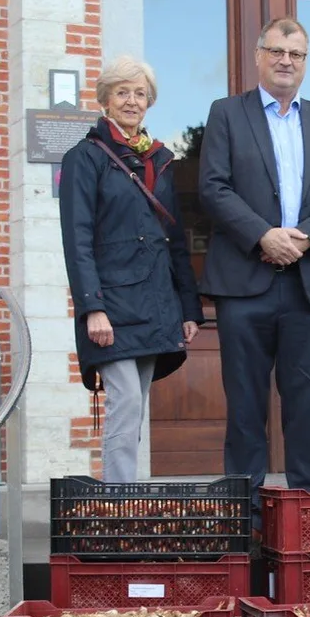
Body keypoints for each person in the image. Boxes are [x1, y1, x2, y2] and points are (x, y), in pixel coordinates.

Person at [198, 17, 310, 504]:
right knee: (245, 406)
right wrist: (263, 235)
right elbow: (212, 186)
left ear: (306, 62)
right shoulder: (226, 114)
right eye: (277, 51)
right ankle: (243, 516)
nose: (286, 61)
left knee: (306, 405)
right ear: (258, 56)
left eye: (296, 54)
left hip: (307, 285)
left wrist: (306, 237)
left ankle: (309, 509)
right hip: (245, 284)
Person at [58, 55, 203, 482]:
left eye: (140, 93)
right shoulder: (84, 157)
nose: (132, 100)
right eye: (123, 91)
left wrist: (188, 308)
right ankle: (119, 506)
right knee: (124, 403)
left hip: (155, 302)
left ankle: (128, 499)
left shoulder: (160, 160)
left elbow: (175, 241)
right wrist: (92, 308)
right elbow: (77, 240)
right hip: (113, 306)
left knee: (136, 404)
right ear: (105, 99)